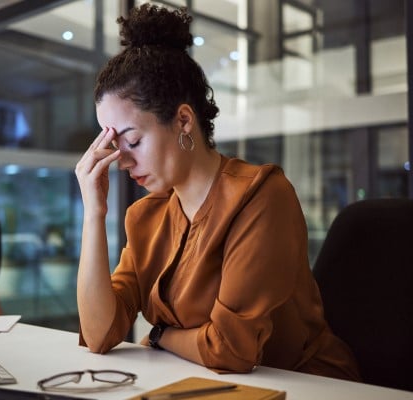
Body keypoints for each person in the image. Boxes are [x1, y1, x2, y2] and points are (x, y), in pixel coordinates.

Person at [75, 3, 360, 381]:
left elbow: (230, 349)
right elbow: (98, 335)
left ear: (183, 120)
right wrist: (94, 214)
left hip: (305, 385)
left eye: (133, 141)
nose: (122, 161)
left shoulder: (261, 195)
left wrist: (160, 334)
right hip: (204, 383)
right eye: (114, 146)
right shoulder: (145, 217)